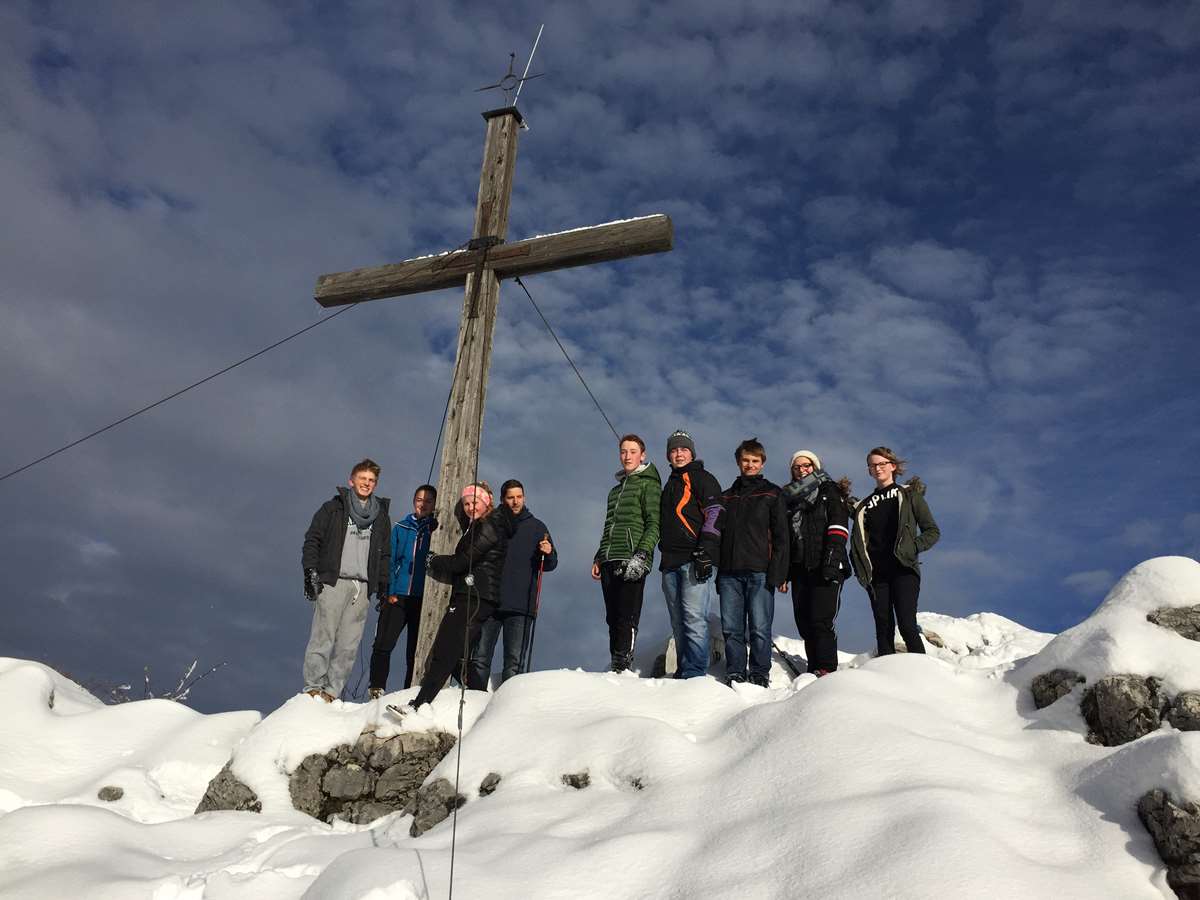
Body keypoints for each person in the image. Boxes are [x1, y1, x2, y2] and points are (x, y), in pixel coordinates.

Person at [395, 482, 516, 713]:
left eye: (475, 502)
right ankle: (486, 706)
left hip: (474, 595)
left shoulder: (489, 526)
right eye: (467, 504)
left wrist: (433, 560)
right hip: (473, 595)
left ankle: (419, 704)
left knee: (445, 650)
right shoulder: (478, 525)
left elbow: (463, 562)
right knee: (458, 658)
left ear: (487, 502)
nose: (471, 507)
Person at [301, 459, 392, 702]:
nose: (367, 483)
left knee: (348, 645)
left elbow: (385, 554)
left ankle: (332, 692)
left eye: (371, 480)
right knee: (323, 637)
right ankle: (313, 688)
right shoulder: (333, 509)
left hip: (362, 587)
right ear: (352, 480)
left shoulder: (381, 516)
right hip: (333, 581)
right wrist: (310, 571)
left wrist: (383, 585)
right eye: (363, 478)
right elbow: (312, 540)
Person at [850, 446, 940, 656]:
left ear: (892, 466)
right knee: (883, 629)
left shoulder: (908, 495)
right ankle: (887, 674)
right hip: (876, 574)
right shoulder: (863, 506)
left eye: (882, 463)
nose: (877, 468)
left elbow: (932, 531)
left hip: (904, 569)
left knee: (907, 625)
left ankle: (923, 670)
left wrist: (912, 548)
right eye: (872, 465)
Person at [717, 438, 790, 687]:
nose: (750, 465)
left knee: (759, 627)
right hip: (729, 573)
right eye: (746, 460)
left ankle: (759, 673)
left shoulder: (772, 493)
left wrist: (779, 573)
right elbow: (717, 535)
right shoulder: (726, 497)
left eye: (755, 461)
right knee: (731, 628)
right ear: (739, 462)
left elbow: (781, 536)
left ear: (762, 463)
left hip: (760, 572)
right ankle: (735, 671)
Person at [469, 480, 557, 686]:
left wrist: (548, 552)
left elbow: (551, 564)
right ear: (502, 500)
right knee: (480, 658)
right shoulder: (491, 523)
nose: (516, 501)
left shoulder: (537, 527)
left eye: (519, 497)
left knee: (514, 664)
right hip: (490, 601)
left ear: (524, 498)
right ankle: (474, 699)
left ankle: (511, 703)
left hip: (521, 605)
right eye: (511, 497)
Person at [591, 434, 662, 672]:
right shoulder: (615, 491)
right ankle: (615, 663)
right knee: (612, 617)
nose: (627, 456)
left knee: (626, 615)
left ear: (642, 455)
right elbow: (609, 525)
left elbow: (654, 523)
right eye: (623, 451)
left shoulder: (649, 484)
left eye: (632, 451)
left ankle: (623, 665)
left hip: (632, 556)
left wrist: (641, 555)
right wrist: (599, 555)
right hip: (609, 558)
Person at [659, 429, 724, 679]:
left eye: (683, 449)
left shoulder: (702, 478)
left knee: (694, 617)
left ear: (692, 453)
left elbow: (716, 512)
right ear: (669, 455)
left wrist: (706, 550)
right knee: (677, 621)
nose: (679, 454)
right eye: (674, 450)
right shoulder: (669, 485)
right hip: (670, 562)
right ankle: (683, 669)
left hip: (696, 559)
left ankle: (695, 672)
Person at [781, 450, 850, 676]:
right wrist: (784, 573)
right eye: (797, 467)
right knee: (804, 622)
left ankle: (827, 668)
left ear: (815, 467)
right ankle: (813, 669)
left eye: (807, 465)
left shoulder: (829, 490)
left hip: (827, 564)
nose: (802, 470)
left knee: (821, 620)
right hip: (801, 568)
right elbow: (788, 539)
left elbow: (838, 526)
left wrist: (831, 561)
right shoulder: (789, 500)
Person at [368, 484, 438, 698]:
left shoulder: (436, 529)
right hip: (398, 595)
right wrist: (388, 591)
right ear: (413, 501)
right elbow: (390, 560)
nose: (423, 504)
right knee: (383, 643)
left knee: (415, 651)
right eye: (419, 500)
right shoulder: (401, 527)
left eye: (428, 501)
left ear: (435, 504)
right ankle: (376, 688)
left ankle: (410, 692)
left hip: (423, 598)